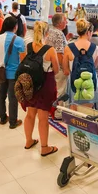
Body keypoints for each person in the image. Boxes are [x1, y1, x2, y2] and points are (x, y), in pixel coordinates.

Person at [22, 21, 60, 157]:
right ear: (47, 33)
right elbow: (56, 70)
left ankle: (28, 141)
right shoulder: (50, 50)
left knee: (30, 114)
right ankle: (44, 147)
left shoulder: (29, 46)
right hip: (45, 84)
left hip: (31, 84)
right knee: (43, 117)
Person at [0, 16, 25, 128]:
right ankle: (13, 121)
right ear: (15, 27)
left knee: (1, 95)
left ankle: (2, 118)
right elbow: (23, 59)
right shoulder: (19, 40)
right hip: (14, 73)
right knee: (12, 98)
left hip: (2, 71)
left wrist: (2, 63)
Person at [46, 13, 68, 105]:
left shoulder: (51, 31)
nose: (66, 22)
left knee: (54, 89)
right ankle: (58, 111)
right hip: (58, 67)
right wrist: (64, 68)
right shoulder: (59, 34)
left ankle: (52, 109)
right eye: (65, 21)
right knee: (60, 90)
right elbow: (59, 53)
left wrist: (67, 39)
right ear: (60, 23)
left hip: (50, 65)